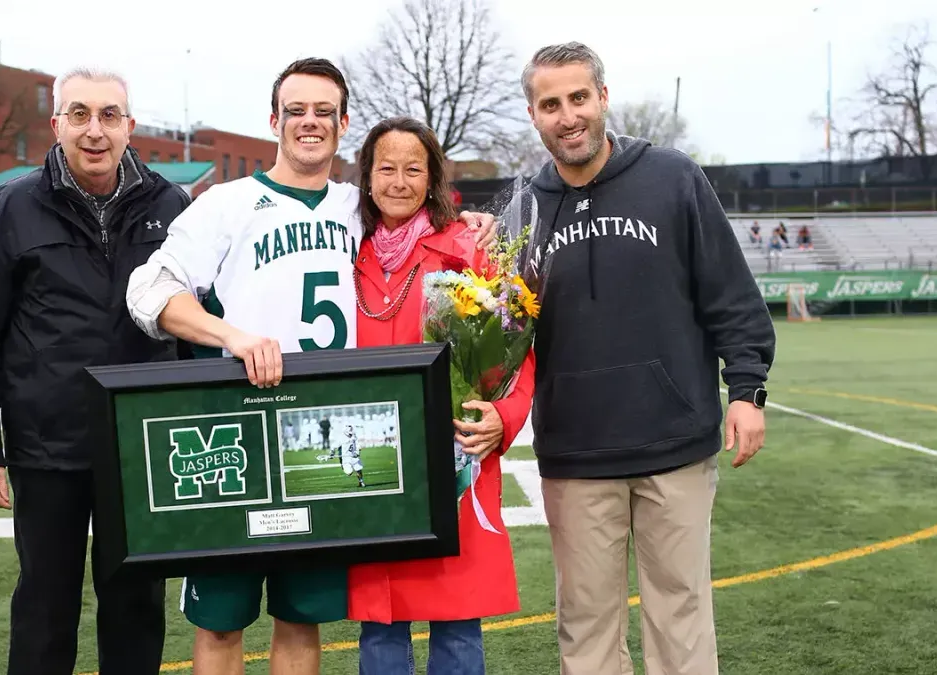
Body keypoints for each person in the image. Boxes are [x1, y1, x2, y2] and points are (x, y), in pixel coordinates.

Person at [126, 57, 495, 675]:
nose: (310, 122)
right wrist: (233, 335)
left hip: (321, 443)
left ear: (343, 123)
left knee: (302, 616)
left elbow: (424, 218)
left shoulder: (360, 205)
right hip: (237, 435)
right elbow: (149, 290)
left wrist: (470, 223)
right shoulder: (228, 204)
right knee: (222, 621)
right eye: (296, 110)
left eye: (324, 111)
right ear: (274, 119)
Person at [519, 42, 775, 675]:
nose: (567, 115)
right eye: (550, 104)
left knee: (680, 616)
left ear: (603, 98)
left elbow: (732, 295)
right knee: (585, 624)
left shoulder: (673, 177)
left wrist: (746, 390)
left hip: (676, 442)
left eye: (579, 97)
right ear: (534, 114)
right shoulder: (522, 209)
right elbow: (503, 334)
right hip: (576, 452)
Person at [0, 66, 192, 675]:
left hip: (142, 445)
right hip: (46, 446)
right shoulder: (11, 209)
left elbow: (193, 324)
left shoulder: (171, 204)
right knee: (44, 609)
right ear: (56, 123)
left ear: (130, 126)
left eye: (109, 115)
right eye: (79, 114)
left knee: (137, 608)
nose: (95, 130)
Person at [345, 116, 536, 675]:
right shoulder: (345, 250)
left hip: (456, 454)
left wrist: (502, 415)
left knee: (456, 620)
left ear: (432, 179)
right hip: (372, 459)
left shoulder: (468, 248)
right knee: (380, 623)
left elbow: (515, 352)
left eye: (413, 169)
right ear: (367, 176)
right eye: (386, 168)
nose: (399, 182)